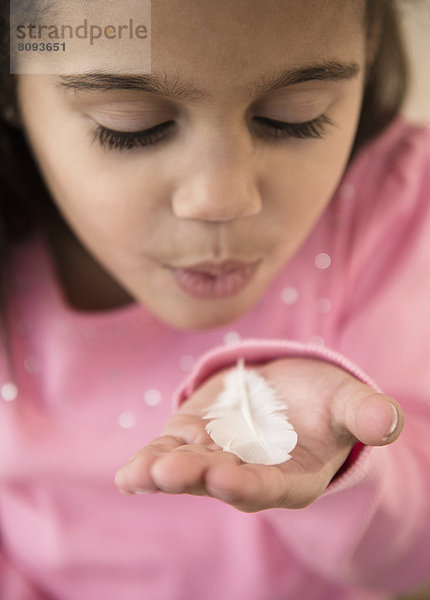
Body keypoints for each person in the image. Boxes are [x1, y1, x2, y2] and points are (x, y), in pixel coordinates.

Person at [0, 1, 429, 598]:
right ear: (11, 83)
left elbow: (413, 557)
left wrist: (346, 467)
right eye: (132, 124)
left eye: (293, 117)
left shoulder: (400, 210)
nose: (222, 199)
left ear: (370, 41)